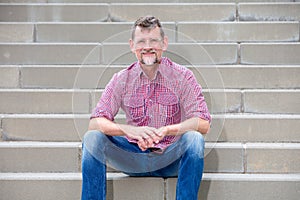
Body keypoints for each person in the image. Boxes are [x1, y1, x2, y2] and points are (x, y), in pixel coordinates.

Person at [81, 15, 211, 200]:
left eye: (154, 41)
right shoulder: (121, 79)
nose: (147, 46)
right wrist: (129, 130)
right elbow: (95, 123)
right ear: (132, 45)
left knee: (194, 139)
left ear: (164, 43)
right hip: (133, 157)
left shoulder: (183, 76)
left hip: (170, 157)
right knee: (92, 138)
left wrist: (167, 130)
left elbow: (203, 123)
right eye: (141, 41)